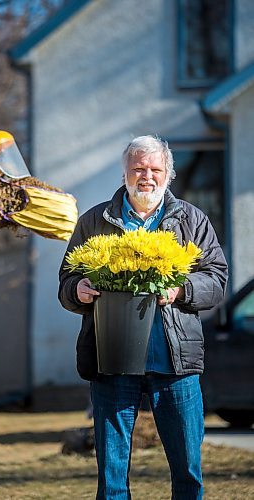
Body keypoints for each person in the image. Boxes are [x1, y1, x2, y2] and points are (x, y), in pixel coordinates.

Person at [58, 135, 228, 499]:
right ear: (125, 174)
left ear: (169, 173)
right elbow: (66, 282)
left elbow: (216, 278)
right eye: (138, 168)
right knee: (112, 474)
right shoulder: (94, 221)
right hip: (111, 360)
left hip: (175, 364)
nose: (146, 176)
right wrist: (78, 289)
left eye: (154, 169)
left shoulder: (191, 220)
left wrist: (181, 290)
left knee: (187, 469)